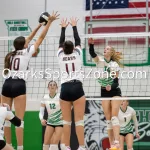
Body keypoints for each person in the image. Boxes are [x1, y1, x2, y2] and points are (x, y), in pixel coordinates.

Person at [1, 11, 59, 150]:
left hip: (7, 85)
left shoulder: (11, 54)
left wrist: (39, 25)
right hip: (19, 85)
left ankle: (7, 146)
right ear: (24, 45)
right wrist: (49, 23)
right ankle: (20, 148)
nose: (28, 42)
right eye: (26, 42)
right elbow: (40, 38)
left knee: (6, 119)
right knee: (19, 121)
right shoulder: (27, 52)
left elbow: (29, 38)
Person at [88, 38, 122, 150]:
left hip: (114, 91)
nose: (105, 49)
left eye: (107, 49)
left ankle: (117, 141)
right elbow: (92, 53)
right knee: (108, 120)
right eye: (105, 48)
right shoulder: (99, 61)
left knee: (114, 118)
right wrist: (91, 45)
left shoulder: (114, 64)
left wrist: (110, 86)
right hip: (104, 91)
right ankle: (112, 145)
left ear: (111, 52)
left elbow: (116, 82)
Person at [57, 18, 86, 150]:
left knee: (66, 122)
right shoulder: (78, 53)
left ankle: (66, 146)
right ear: (74, 48)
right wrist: (74, 26)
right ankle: (81, 147)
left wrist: (63, 28)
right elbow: (78, 40)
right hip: (77, 87)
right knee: (79, 121)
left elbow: (60, 42)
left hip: (65, 88)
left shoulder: (59, 55)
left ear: (63, 49)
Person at [39, 80, 63, 150]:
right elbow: (41, 111)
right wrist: (41, 119)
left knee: (54, 144)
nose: (52, 86)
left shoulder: (60, 96)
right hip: (50, 122)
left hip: (59, 122)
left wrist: (65, 114)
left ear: (57, 88)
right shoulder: (45, 97)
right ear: (48, 87)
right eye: (50, 85)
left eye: (54, 85)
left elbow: (70, 106)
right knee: (45, 143)